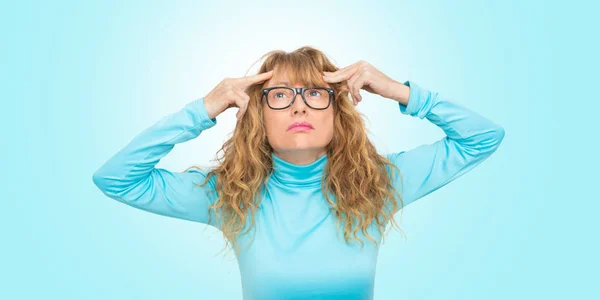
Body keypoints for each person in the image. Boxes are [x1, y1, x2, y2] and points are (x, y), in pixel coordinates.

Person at [92, 46, 505, 300]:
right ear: (257, 116)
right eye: (280, 95)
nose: (299, 106)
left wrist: (397, 89)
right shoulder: (228, 196)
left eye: (314, 93)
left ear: (337, 113)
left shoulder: (379, 184)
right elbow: (117, 178)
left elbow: (483, 138)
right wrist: (203, 109)